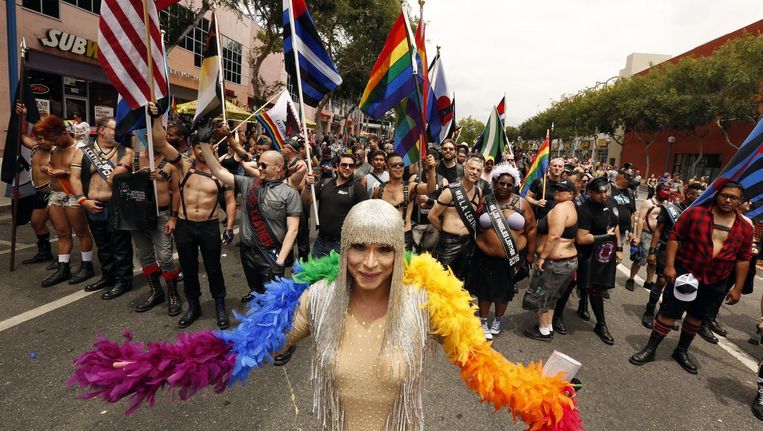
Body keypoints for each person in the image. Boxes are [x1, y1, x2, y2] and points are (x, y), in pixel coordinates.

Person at [70, 199, 583, 430]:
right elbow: (255, 345)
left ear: (399, 254)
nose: (369, 262)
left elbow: (484, 367)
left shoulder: (428, 306)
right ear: (343, 249)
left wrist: (544, 395)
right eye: (358, 248)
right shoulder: (318, 301)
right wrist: (158, 367)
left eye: (384, 251)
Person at [630, 182, 753, 374]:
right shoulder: (695, 213)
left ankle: (681, 351)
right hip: (686, 274)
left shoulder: (745, 227)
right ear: (717, 195)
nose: (728, 200)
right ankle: (650, 349)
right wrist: (670, 266)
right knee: (668, 313)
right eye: (724, 195)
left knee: (696, 317)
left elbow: (744, 258)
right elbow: (675, 238)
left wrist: (737, 288)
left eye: (734, 197)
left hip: (715, 280)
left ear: (740, 201)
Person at [149, 108, 235, 329]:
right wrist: (156, 117)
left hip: (209, 226)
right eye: (197, 146)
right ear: (193, 148)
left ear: (210, 149)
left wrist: (230, 226)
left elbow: (231, 201)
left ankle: (219, 305)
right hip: (185, 226)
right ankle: (193, 306)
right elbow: (161, 144)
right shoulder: (183, 165)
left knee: (213, 268)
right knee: (188, 268)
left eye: (203, 147)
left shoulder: (221, 173)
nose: (200, 151)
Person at [195, 129, 300, 309]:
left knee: (272, 303)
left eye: (264, 165)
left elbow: (293, 230)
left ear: (279, 167)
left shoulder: (289, 193)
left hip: (271, 256)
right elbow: (218, 170)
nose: (259, 168)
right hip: (248, 253)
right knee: (256, 293)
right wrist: (204, 144)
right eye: (259, 164)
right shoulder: (248, 183)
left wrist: (280, 261)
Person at [108, 133, 183, 316]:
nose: (155, 142)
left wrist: (173, 218)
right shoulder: (132, 158)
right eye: (151, 138)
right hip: (137, 215)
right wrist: (136, 176)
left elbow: (176, 192)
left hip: (162, 214)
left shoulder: (171, 162)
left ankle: (173, 294)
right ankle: (156, 292)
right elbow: (112, 179)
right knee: (146, 256)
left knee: (165, 257)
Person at [469, 163, 537, 340]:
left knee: (503, 293)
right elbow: (474, 223)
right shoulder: (485, 200)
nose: (504, 187)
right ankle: (483, 321)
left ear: (513, 185)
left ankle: (498, 320)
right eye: (501, 183)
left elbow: (531, 229)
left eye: (508, 184)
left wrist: (531, 254)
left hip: (511, 258)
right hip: (485, 257)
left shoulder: (522, 203)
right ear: (495, 182)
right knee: (484, 291)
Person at [32, 115, 96, 287]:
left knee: (82, 231)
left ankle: (87, 266)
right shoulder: (54, 149)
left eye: (53, 138)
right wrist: (50, 170)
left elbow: (90, 173)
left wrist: (65, 173)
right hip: (56, 194)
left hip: (75, 195)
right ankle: (63, 268)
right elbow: (56, 165)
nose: (52, 142)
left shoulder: (81, 148)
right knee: (61, 233)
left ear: (63, 133)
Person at [641, 183, 704, 328]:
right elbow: (658, 231)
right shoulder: (670, 209)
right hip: (666, 250)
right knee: (662, 281)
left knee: (675, 284)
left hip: (685, 254)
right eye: (698, 195)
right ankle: (649, 311)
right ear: (689, 195)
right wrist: (652, 251)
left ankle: (664, 313)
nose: (701, 198)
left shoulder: (698, 213)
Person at [523, 179, 578, 342]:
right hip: (565, 262)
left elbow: (554, 236)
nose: (557, 192)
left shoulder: (561, 209)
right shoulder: (571, 207)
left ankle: (543, 331)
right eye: (556, 189)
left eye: (563, 189)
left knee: (539, 295)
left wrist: (542, 257)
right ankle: (547, 327)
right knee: (551, 297)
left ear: (571, 194)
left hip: (554, 263)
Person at [575, 177, 622, 345]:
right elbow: (581, 238)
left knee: (597, 287)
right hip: (587, 254)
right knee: (578, 284)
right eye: (599, 193)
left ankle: (600, 324)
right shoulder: (585, 209)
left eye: (606, 191)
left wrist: (619, 248)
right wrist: (604, 237)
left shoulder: (611, 202)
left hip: (605, 253)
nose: (604, 195)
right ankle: (558, 316)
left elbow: (615, 226)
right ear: (589, 192)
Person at [428, 154, 485, 280]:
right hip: (449, 242)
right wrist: (444, 231)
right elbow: (432, 216)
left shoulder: (478, 192)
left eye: (478, 170)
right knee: (442, 279)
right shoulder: (450, 191)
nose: (474, 172)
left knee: (459, 280)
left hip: (468, 242)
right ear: (465, 168)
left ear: (481, 173)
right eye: (472, 168)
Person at [303, 152, 368, 258]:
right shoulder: (325, 183)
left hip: (342, 244)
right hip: (320, 242)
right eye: (344, 165)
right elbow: (306, 200)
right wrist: (307, 186)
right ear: (337, 166)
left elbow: (365, 216)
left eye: (351, 166)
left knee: (337, 275)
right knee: (315, 274)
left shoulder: (358, 189)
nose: (347, 168)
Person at [372, 153, 436, 250]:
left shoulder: (410, 187)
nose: (398, 167)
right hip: (383, 235)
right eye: (394, 165)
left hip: (404, 236)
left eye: (401, 165)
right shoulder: (379, 190)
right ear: (387, 168)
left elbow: (430, 188)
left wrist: (431, 169)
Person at [16, 104, 54, 265]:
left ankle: (63, 260)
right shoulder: (35, 147)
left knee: (62, 228)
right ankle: (45, 253)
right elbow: (22, 135)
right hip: (39, 193)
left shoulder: (56, 150)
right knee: (36, 223)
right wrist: (23, 117)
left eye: (46, 137)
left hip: (55, 193)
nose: (42, 141)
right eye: (39, 138)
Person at [625, 182, 668, 292]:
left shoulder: (667, 205)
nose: (666, 192)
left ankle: (648, 282)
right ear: (658, 190)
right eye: (664, 189)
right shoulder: (648, 203)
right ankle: (631, 279)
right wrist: (638, 237)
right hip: (647, 234)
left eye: (668, 190)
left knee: (653, 261)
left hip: (659, 238)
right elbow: (640, 220)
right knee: (640, 259)